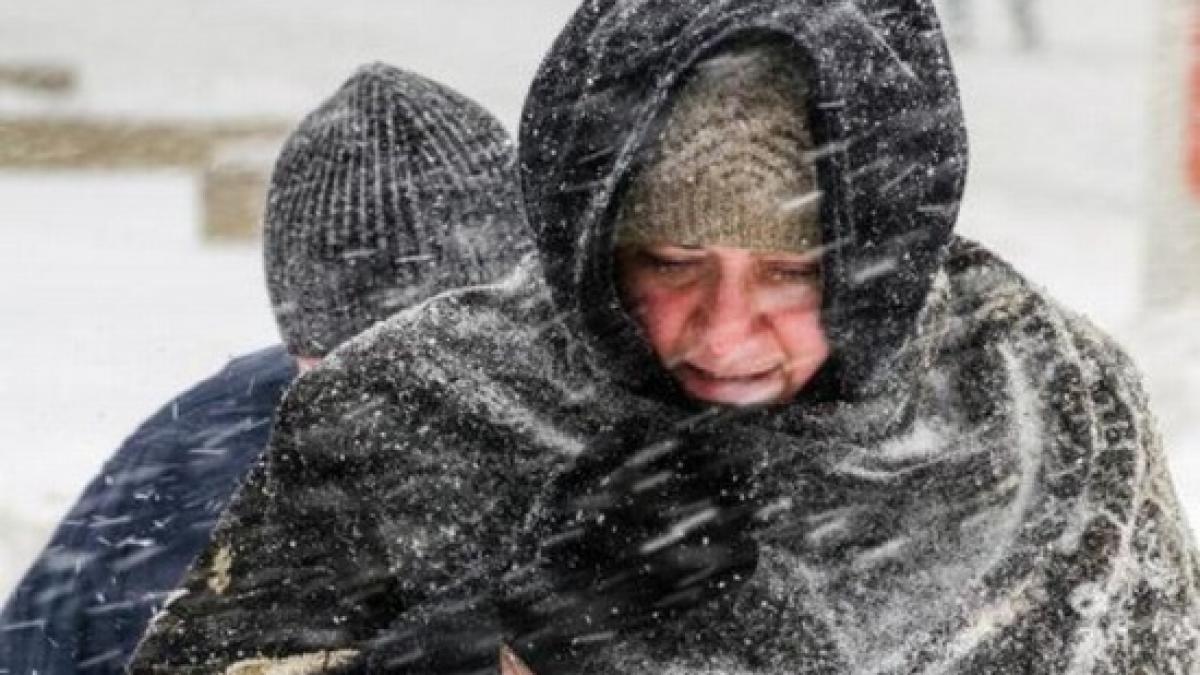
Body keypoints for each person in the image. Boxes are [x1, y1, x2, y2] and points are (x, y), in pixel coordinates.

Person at [129, 0, 1200, 673]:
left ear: (890, 258)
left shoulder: (1039, 399)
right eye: (671, 265)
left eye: (793, 274)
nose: (727, 335)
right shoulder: (416, 409)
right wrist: (504, 642)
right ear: (589, 245)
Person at [0, 62, 530, 674]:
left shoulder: (629, 441)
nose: (407, 417)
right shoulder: (192, 468)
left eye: (467, 368)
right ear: (302, 347)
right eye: (352, 379)